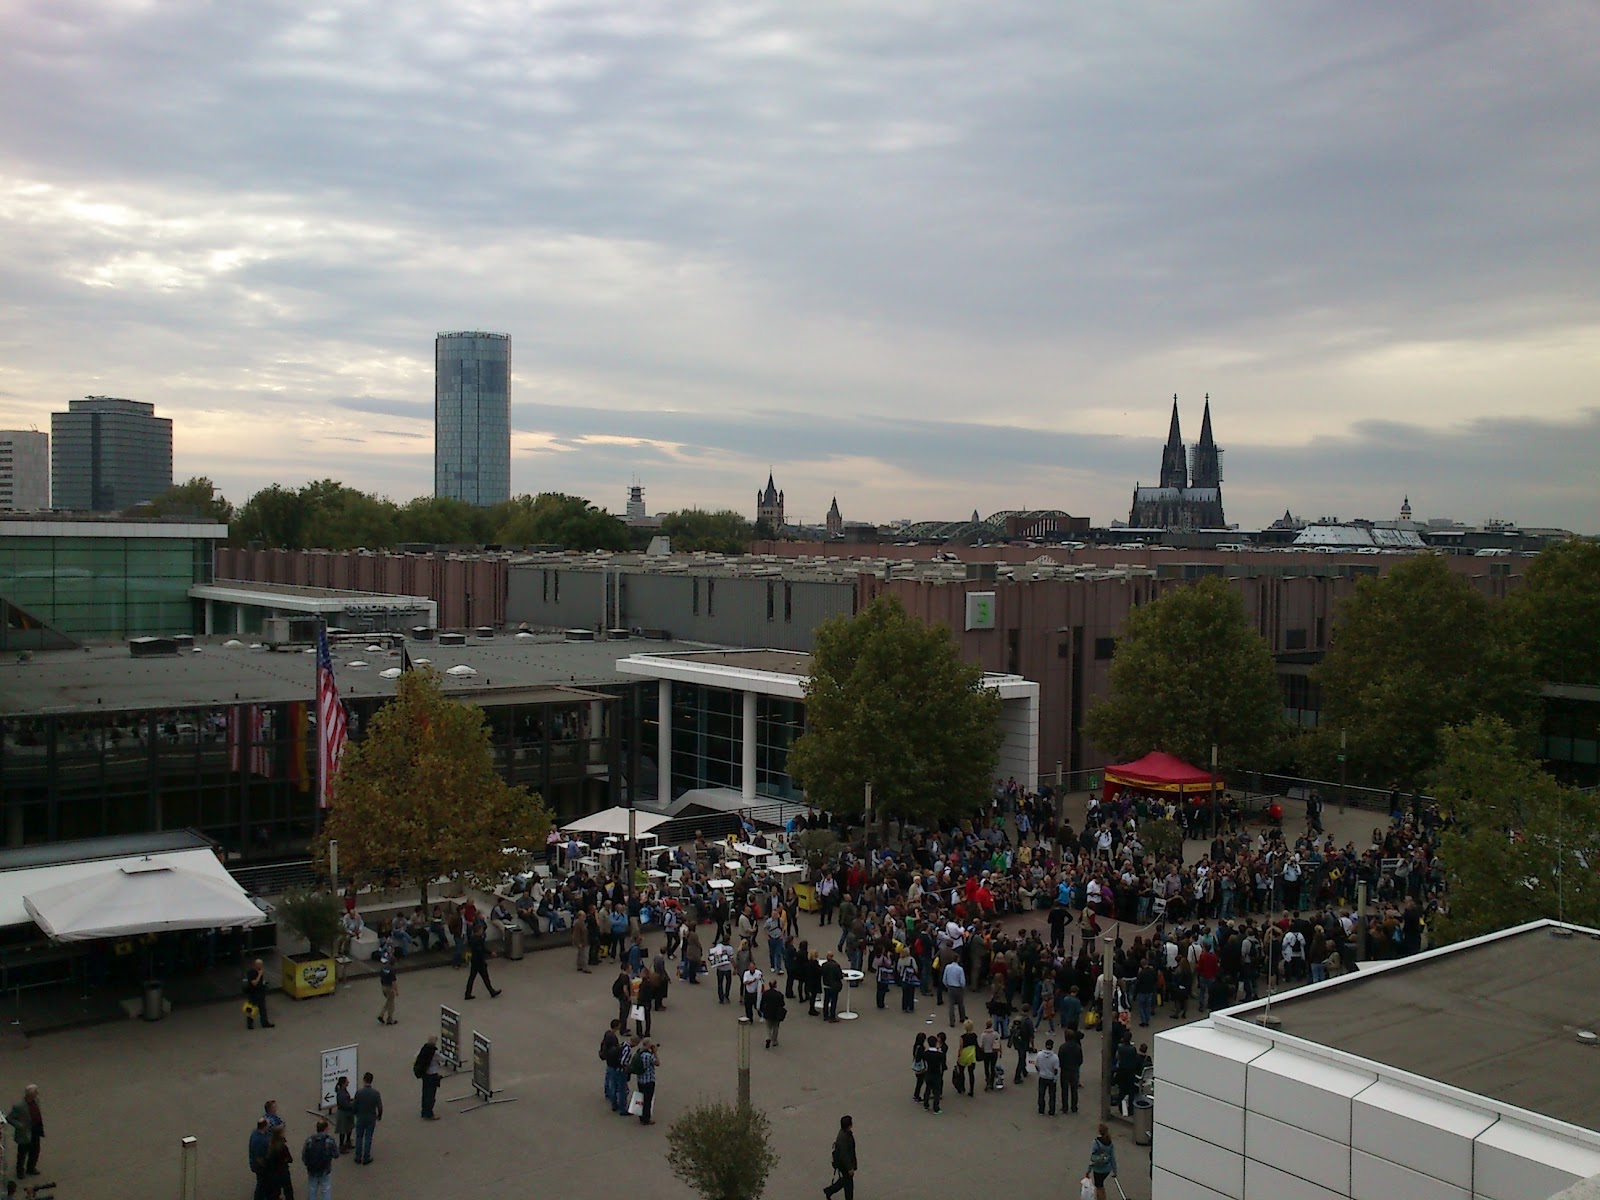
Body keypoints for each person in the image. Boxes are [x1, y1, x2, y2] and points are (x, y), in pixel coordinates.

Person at [7, 1085, 42, 1180]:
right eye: (36, 1093)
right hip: (24, 1133)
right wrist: (19, 1125)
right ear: (30, 1095)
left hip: (35, 1130)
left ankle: (31, 1168)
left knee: (35, 1150)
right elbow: (9, 1118)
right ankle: (20, 1171)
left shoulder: (36, 1101)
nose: (37, 1094)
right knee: (22, 1153)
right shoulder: (19, 1106)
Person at [822, 1114, 857, 1199]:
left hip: (844, 1163)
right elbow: (844, 1155)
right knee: (848, 1185)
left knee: (845, 1180)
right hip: (844, 1165)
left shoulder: (845, 1133)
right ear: (849, 1125)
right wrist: (850, 1168)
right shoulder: (843, 1138)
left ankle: (829, 1191)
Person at [302, 1118, 338, 1200]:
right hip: (325, 1169)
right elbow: (336, 1154)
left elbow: (304, 1155)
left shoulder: (309, 1140)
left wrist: (307, 1164)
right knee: (326, 1189)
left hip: (312, 1169)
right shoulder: (330, 1140)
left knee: (312, 1188)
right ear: (326, 1128)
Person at [463, 922, 501, 999]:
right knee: (485, 977)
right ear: (478, 930)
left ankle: (468, 993)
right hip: (479, 962)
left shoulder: (473, 938)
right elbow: (481, 949)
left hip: (474, 960)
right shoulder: (478, 939)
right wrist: (490, 953)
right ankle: (492, 991)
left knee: (472, 978)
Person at [352, 1072, 383, 1165]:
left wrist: (355, 1113)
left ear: (364, 1080)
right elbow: (380, 1107)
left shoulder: (359, 1092)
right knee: (368, 1137)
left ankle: (358, 1157)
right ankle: (366, 1157)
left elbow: (354, 1105)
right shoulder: (375, 1093)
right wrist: (379, 1116)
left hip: (360, 1117)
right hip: (371, 1117)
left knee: (359, 1137)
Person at [259, 1127, 294, 1200]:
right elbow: (290, 1159)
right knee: (288, 1191)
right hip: (283, 1172)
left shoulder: (271, 1146)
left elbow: (268, 1161)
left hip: (274, 1173)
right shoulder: (283, 1147)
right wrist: (285, 1160)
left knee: (275, 1192)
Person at [1087, 1122, 1119, 1199]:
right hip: (1107, 1168)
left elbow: (1092, 1158)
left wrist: (1088, 1171)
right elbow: (1112, 1158)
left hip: (1098, 1169)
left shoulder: (1096, 1142)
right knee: (1101, 1185)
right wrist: (1114, 1170)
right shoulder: (1109, 1142)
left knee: (1099, 1187)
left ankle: (1101, 1198)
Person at [632, 1039, 658, 1126]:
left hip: (640, 1080)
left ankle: (641, 1115)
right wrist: (655, 1052)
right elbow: (657, 1062)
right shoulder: (649, 1056)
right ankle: (646, 1119)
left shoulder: (639, 1052)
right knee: (647, 1100)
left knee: (641, 1098)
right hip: (648, 1080)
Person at [417, 1036, 442, 1120]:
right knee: (431, 1095)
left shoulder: (424, 1049)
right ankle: (429, 1114)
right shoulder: (433, 1052)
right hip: (432, 1075)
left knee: (425, 1093)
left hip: (425, 1074)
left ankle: (424, 1111)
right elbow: (443, 1058)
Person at [1035, 1037, 1061, 1116]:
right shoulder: (1055, 1057)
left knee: (1041, 1094)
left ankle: (1041, 1110)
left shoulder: (1039, 1054)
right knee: (1052, 1095)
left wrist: (1040, 1072)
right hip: (1051, 1078)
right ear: (1052, 1046)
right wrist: (1055, 1078)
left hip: (1042, 1077)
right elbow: (1056, 1070)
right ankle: (1051, 1111)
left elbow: (1036, 1065)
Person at [245, 958, 274, 1029]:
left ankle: (265, 1022)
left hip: (260, 992)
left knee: (262, 1009)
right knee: (251, 1008)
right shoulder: (251, 972)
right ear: (256, 965)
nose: (261, 966)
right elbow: (254, 983)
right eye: (260, 965)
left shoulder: (259, 970)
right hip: (253, 993)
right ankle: (250, 1024)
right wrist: (259, 975)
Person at [1061, 1030, 1084, 1114]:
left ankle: (1065, 1107)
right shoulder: (1077, 1047)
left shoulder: (1063, 1047)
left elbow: (1060, 1059)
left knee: (1065, 1089)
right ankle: (1074, 1107)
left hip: (1065, 1070)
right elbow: (1080, 1060)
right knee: (1074, 1090)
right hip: (1074, 1070)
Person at [248, 1117, 272, 1200]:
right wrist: (266, 1167)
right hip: (260, 1167)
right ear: (264, 1126)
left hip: (259, 1164)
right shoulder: (259, 1140)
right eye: (268, 1124)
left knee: (264, 1183)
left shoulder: (256, 1133)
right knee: (262, 1184)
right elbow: (259, 1158)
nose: (269, 1125)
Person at [758, 980, 787, 1048]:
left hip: (767, 1012)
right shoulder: (779, 994)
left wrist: (762, 1010)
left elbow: (762, 1002)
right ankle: (774, 1041)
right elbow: (782, 1004)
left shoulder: (765, 993)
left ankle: (768, 1037)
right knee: (775, 1027)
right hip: (776, 1013)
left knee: (768, 1027)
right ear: (775, 985)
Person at [943, 955, 968, 1027]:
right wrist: (963, 987)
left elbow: (944, 978)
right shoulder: (960, 969)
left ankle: (952, 1021)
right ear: (958, 959)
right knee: (961, 1004)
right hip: (958, 987)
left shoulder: (947, 967)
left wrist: (947, 985)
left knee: (951, 1005)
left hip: (950, 987)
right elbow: (962, 980)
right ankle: (962, 1017)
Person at [333, 1076, 355, 1154]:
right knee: (343, 1130)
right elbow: (345, 1105)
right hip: (343, 1113)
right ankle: (341, 1146)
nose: (348, 1082)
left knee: (349, 1128)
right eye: (347, 1081)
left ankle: (348, 1142)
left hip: (347, 1113)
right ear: (343, 1083)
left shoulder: (343, 1090)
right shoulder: (341, 1093)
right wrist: (353, 1104)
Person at [820, 952, 844, 1023]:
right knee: (833, 1001)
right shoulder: (836, 965)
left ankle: (825, 1015)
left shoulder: (824, 965)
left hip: (826, 985)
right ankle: (832, 1016)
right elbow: (840, 976)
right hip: (834, 986)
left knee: (826, 1000)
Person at [710, 934, 734, 1003]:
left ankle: (721, 998)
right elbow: (731, 959)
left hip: (720, 968)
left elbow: (715, 955)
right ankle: (726, 995)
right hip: (727, 968)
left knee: (720, 983)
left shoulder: (718, 946)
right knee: (728, 982)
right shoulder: (730, 948)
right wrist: (735, 967)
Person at [376, 956, 398, 1025]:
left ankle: (382, 1015)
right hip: (389, 987)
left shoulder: (383, 968)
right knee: (391, 1004)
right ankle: (388, 1019)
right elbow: (393, 982)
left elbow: (381, 977)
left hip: (384, 987)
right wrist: (396, 990)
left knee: (388, 1002)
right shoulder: (392, 970)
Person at [911, 1032, 929, 1105]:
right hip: (920, 1067)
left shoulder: (915, 1046)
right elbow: (923, 1056)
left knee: (919, 1081)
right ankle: (916, 1096)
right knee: (920, 1082)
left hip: (916, 1066)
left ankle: (916, 1095)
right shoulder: (921, 1048)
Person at [572, 908, 592, 973]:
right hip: (581, 941)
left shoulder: (581, 922)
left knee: (580, 954)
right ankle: (585, 967)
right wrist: (578, 943)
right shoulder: (578, 923)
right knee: (584, 955)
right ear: (579, 916)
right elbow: (576, 934)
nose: (584, 917)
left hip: (583, 941)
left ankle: (579, 966)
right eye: (583, 916)